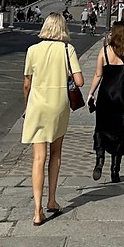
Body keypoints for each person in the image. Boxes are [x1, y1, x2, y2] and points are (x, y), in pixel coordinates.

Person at [22, 12, 84, 225]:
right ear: (63, 28)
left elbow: (27, 84)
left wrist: (26, 105)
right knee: (56, 153)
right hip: (58, 105)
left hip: (37, 106)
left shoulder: (32, 50)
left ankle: (37, 211)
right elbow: (80, 80)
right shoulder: (68, 49)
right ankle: (52, 200)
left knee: (38, 158)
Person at [86, 19, 124, 183]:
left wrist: (91, 93)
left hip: (106, 94)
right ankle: (115, 171)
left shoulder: (104, 52)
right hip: (122, 95)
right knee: (119, 130)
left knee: (101, 127)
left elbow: (98, 75)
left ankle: (99, 161)